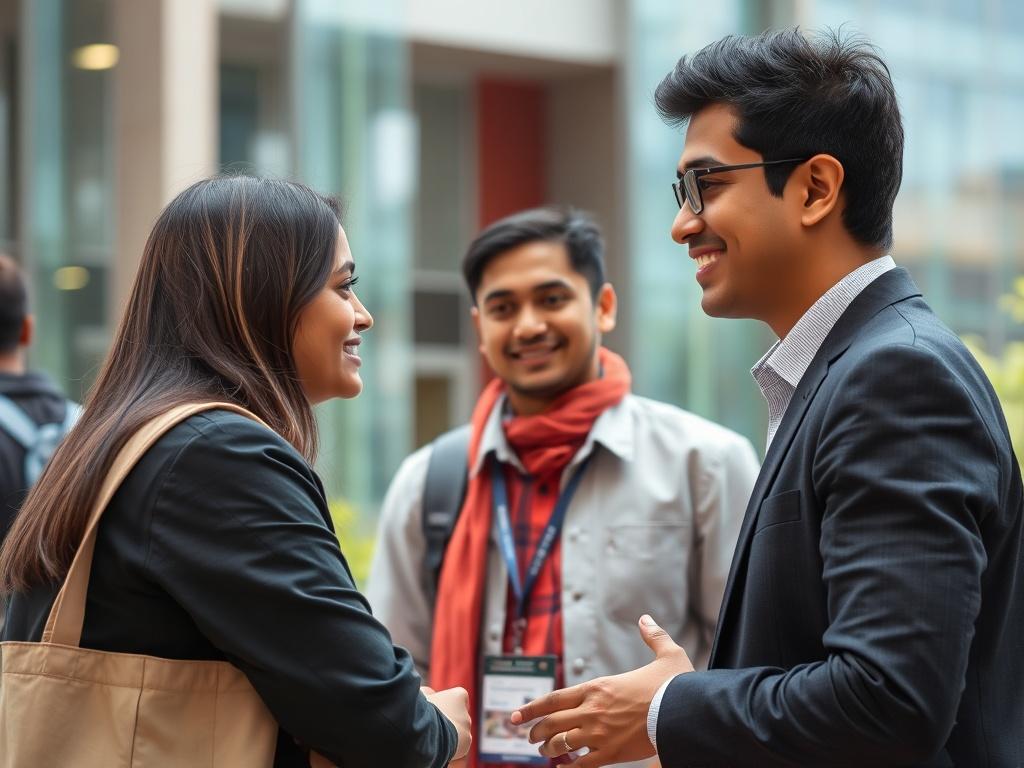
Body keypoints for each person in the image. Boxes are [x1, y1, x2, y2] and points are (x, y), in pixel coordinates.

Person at [511, 29, 1024, 767]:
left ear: (815, 188)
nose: (682, 223)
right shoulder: (849, 369)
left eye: (707, 185)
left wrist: (667, 710)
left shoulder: (898, 379)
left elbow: (891, 700)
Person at [0, 176, 472, 768]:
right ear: (263, 297)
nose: (363, 315)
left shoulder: (119, 439)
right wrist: (442, 728)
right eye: (343, 286)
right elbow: (382, 720)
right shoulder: (218, 457)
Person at [366, 207, 759, 768]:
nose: (528, 326)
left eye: (551, 299)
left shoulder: (706, 464)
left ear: (603, 307)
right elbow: (395, 672)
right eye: (503, 308)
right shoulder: (429, 481)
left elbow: (751, 668)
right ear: (480, 329)